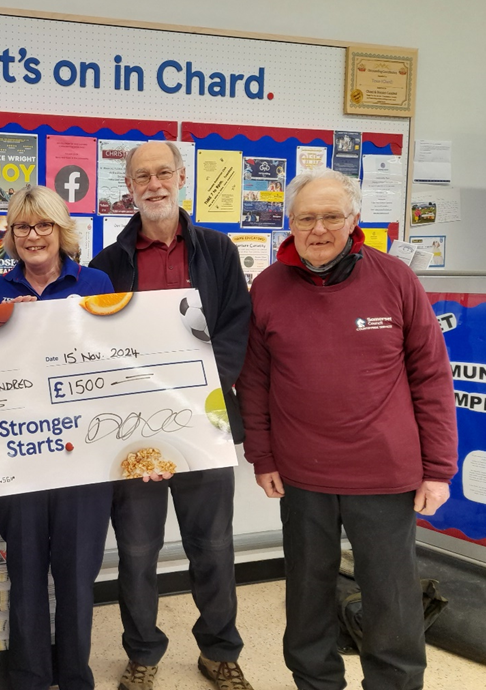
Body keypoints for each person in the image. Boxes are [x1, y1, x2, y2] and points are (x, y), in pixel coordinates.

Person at [236, 167, 458, 690]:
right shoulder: (268, 287)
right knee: (307, 597)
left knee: (392, 600)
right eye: (306, 217)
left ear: (353, 220)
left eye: (331, 216)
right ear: (289, 224)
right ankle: (315, 683)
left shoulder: (395, 279)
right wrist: (262, 458)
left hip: (384, 474)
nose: (318, 229)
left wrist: (439, 470)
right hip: (302, 476)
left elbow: (431, 377)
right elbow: (256, 381)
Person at [89, 141, 253, 690]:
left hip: (204, 421)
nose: (154, 184)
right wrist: (144, 409)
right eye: (142, 177)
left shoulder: (217, 249)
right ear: (128, 188)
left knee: (212, 545)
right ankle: (143, 653)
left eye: (163, 173)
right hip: (133, 430)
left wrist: (192, 395)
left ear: (181, 177)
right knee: (136, 550)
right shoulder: (108, 263)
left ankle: (219, 650)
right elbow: (98, 347)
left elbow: (235, 328)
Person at [0, 185, 114, 690]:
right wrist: (10, 329)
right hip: (21, 457)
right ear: (11, 236)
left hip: (85, 456)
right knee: (27, 575)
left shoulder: (98, 282)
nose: (32, 235)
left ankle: (75, 675)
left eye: (43, 226)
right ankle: (30, 677)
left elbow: (121, 361)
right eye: (21, 227)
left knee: (78, 575)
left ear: (62, 231)